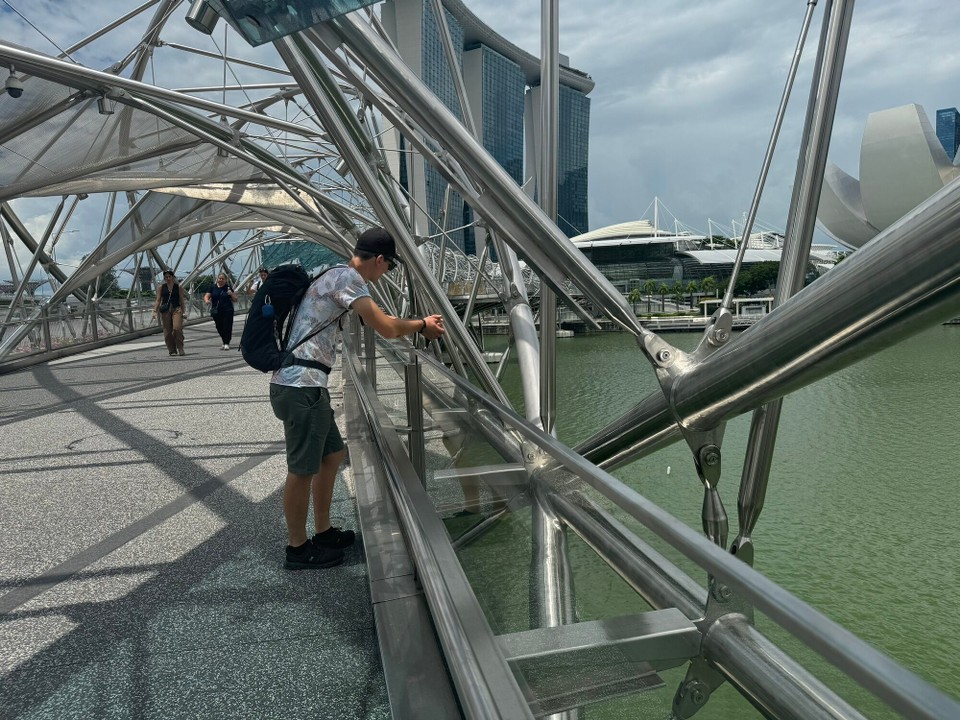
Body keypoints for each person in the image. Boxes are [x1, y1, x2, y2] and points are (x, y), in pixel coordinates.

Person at [270, 227, 445, 569]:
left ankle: (322, 531)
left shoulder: (333, 274)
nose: (386, 274)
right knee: (302, 468)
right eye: (389, 267)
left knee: (333, 454)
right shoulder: (349, 279)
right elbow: (387, 328)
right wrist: (422, 324)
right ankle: (297, 549)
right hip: (298, 386)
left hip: (308, 384)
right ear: (379, 260)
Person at [153, 270, 187, 356]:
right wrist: (155, 311)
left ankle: (180, 347)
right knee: (167, 331)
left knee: (177, 328)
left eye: (169, 276)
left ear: (173, 277)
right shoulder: (161, 287)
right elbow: (158, 300)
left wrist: (184, 311)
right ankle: (171, 349)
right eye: (166, 277)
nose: (168, 278)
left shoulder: (178, 287)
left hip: (177, 309)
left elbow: (182, 300)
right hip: (166, 311)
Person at [204, 273, 238, 350]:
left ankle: (226, 343)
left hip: (227, 310)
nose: (221, 280)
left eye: (223, 279)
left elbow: (235, 299)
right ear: (217, 279)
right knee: (219, 326)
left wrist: (231, 294)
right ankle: (224, 340)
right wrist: (206, 300)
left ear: (226, 280)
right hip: (216, 311)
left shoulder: (228, 288)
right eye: (220, 278)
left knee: (227, 326)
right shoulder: (213, 287)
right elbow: (207, 295)